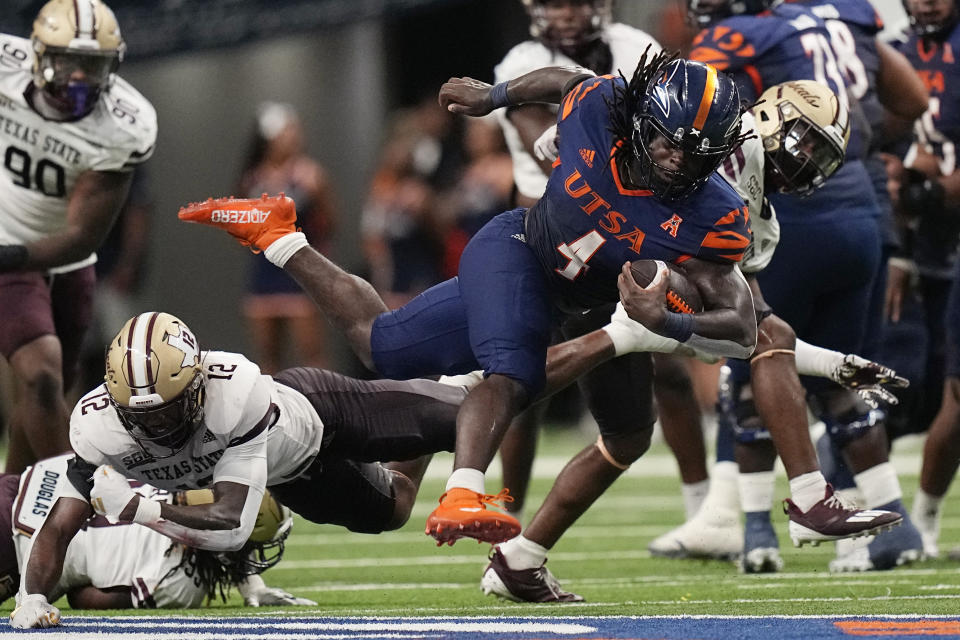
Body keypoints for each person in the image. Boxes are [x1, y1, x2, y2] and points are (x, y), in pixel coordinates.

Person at [12, 289, 750, 626]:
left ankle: (619, 335)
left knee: (483, 410)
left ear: (198, 380)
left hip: (319, 412)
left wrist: (137, 504)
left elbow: (231, 521)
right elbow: (60, 523)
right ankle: (446, 383)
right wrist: (35, 598)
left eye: (173, 407)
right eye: (147, 416)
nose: (163, 424)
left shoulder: (233, 392)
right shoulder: (101, 431)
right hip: (295, 475)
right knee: (395, 508)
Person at [688, 0, 927, 572]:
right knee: (836, 373)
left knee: (755, 364)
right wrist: (852, 150)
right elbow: (909, 103)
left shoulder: (746, 34)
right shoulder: (845, 16)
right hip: (861, 208)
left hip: (796, 216)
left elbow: (685, 100)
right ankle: (887, 518)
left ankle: (753, 531)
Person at [0, 0, 157, 473]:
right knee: (42, 378)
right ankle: (86, 508)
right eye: (68, 60)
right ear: (38, 54)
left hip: (64, 261)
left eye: (92, 64)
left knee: (48, 390)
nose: (78, 77)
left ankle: (14, 505)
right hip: (6, 233)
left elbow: (82, 237)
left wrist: (5, 257)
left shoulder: (123, 124)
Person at [3, 453, 312, 621]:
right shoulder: (184, 586)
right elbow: (86, 599)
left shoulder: (190, 457)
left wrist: (247, 580)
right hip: (22, 551)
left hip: (25, 484)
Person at [895, 0, 960, 561]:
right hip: (931, 245)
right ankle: (923, 520)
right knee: (944, 392)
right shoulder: (893, 50)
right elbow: (885, 155)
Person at [237, 102, 337, 373]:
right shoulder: (252, 180)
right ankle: (276, 412)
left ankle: (323, 411)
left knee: (311, 354)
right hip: (264, 273)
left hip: (299, 275)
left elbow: (330, 224)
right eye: (286, 132)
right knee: (268, 358)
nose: (293, 137)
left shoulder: (310, 175)